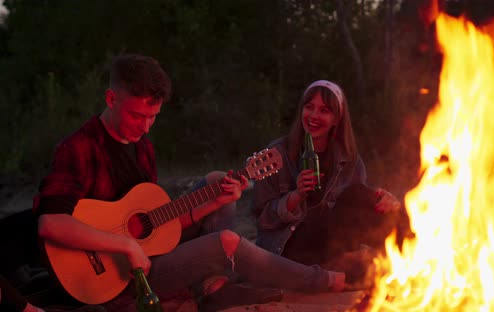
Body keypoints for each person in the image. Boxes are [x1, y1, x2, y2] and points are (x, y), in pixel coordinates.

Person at [33, 55, 345, 311]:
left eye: (152, 117)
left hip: (147, 255)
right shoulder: (78, 148)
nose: (144, 127)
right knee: (227, 242)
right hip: (117, 279)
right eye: (136, 116)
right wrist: (124, 244)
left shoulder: (141, 147)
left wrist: (214, 202)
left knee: (218, 181)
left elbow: (156, 230)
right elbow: (51, 224)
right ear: (111, 98)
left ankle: (213, 287)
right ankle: (324, 281)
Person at [253, 80, 412, 284]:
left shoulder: (348, 159)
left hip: (330, 244)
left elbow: (357, 208)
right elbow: (262, 220)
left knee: (361, 195)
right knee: (358, 200)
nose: (314, 116)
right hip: (289, 248)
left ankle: (413, 251)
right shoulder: (276, 155)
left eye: (324, 110)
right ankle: (345, 268)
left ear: (337, 118)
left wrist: (383, 200)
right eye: (309, 107)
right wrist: (296, 196)